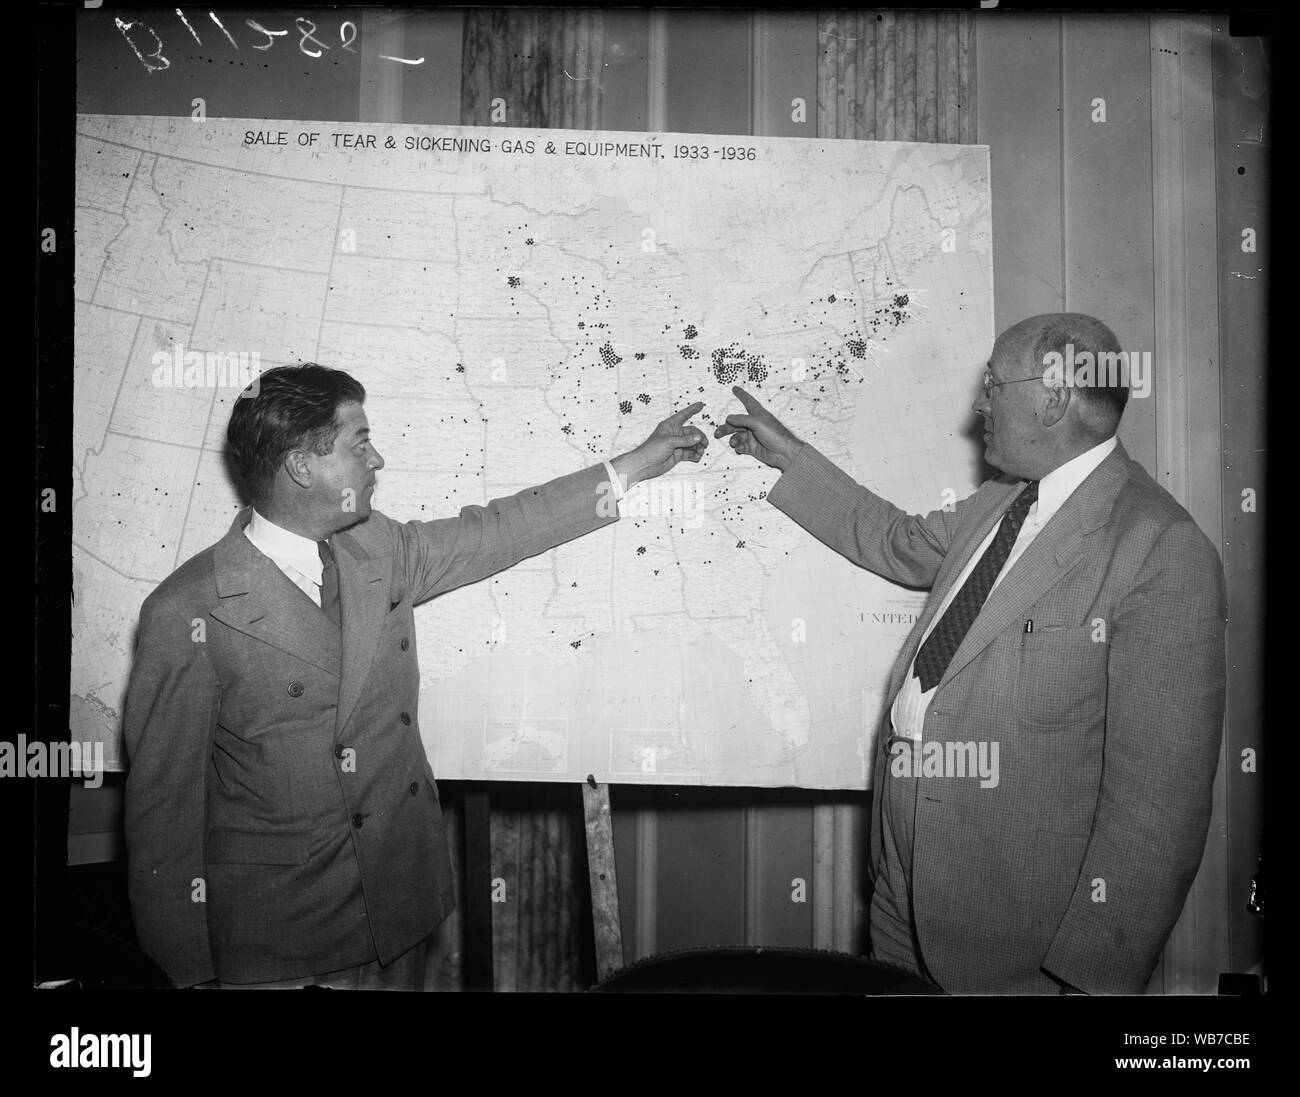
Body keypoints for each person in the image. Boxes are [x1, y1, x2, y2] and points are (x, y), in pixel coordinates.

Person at [123, 363, 708, 988]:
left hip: (401, 911)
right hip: (281, 943)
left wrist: (636, 464)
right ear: (301, 466)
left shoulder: (377, 548)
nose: (378, 460)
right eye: (359, 443)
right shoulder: (187, 611)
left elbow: (501, 530)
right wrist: (182, 978)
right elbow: (162, 819)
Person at [716, 313, 1227, 994]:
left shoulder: (1158, 546)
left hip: (1019, 944)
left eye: (993, 385)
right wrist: (788, 455)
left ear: (1052, 397)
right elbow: (898, 539)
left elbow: (1159, 811)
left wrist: (1093, 981)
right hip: (902, 889)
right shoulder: (1003, 500)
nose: (979, 403)